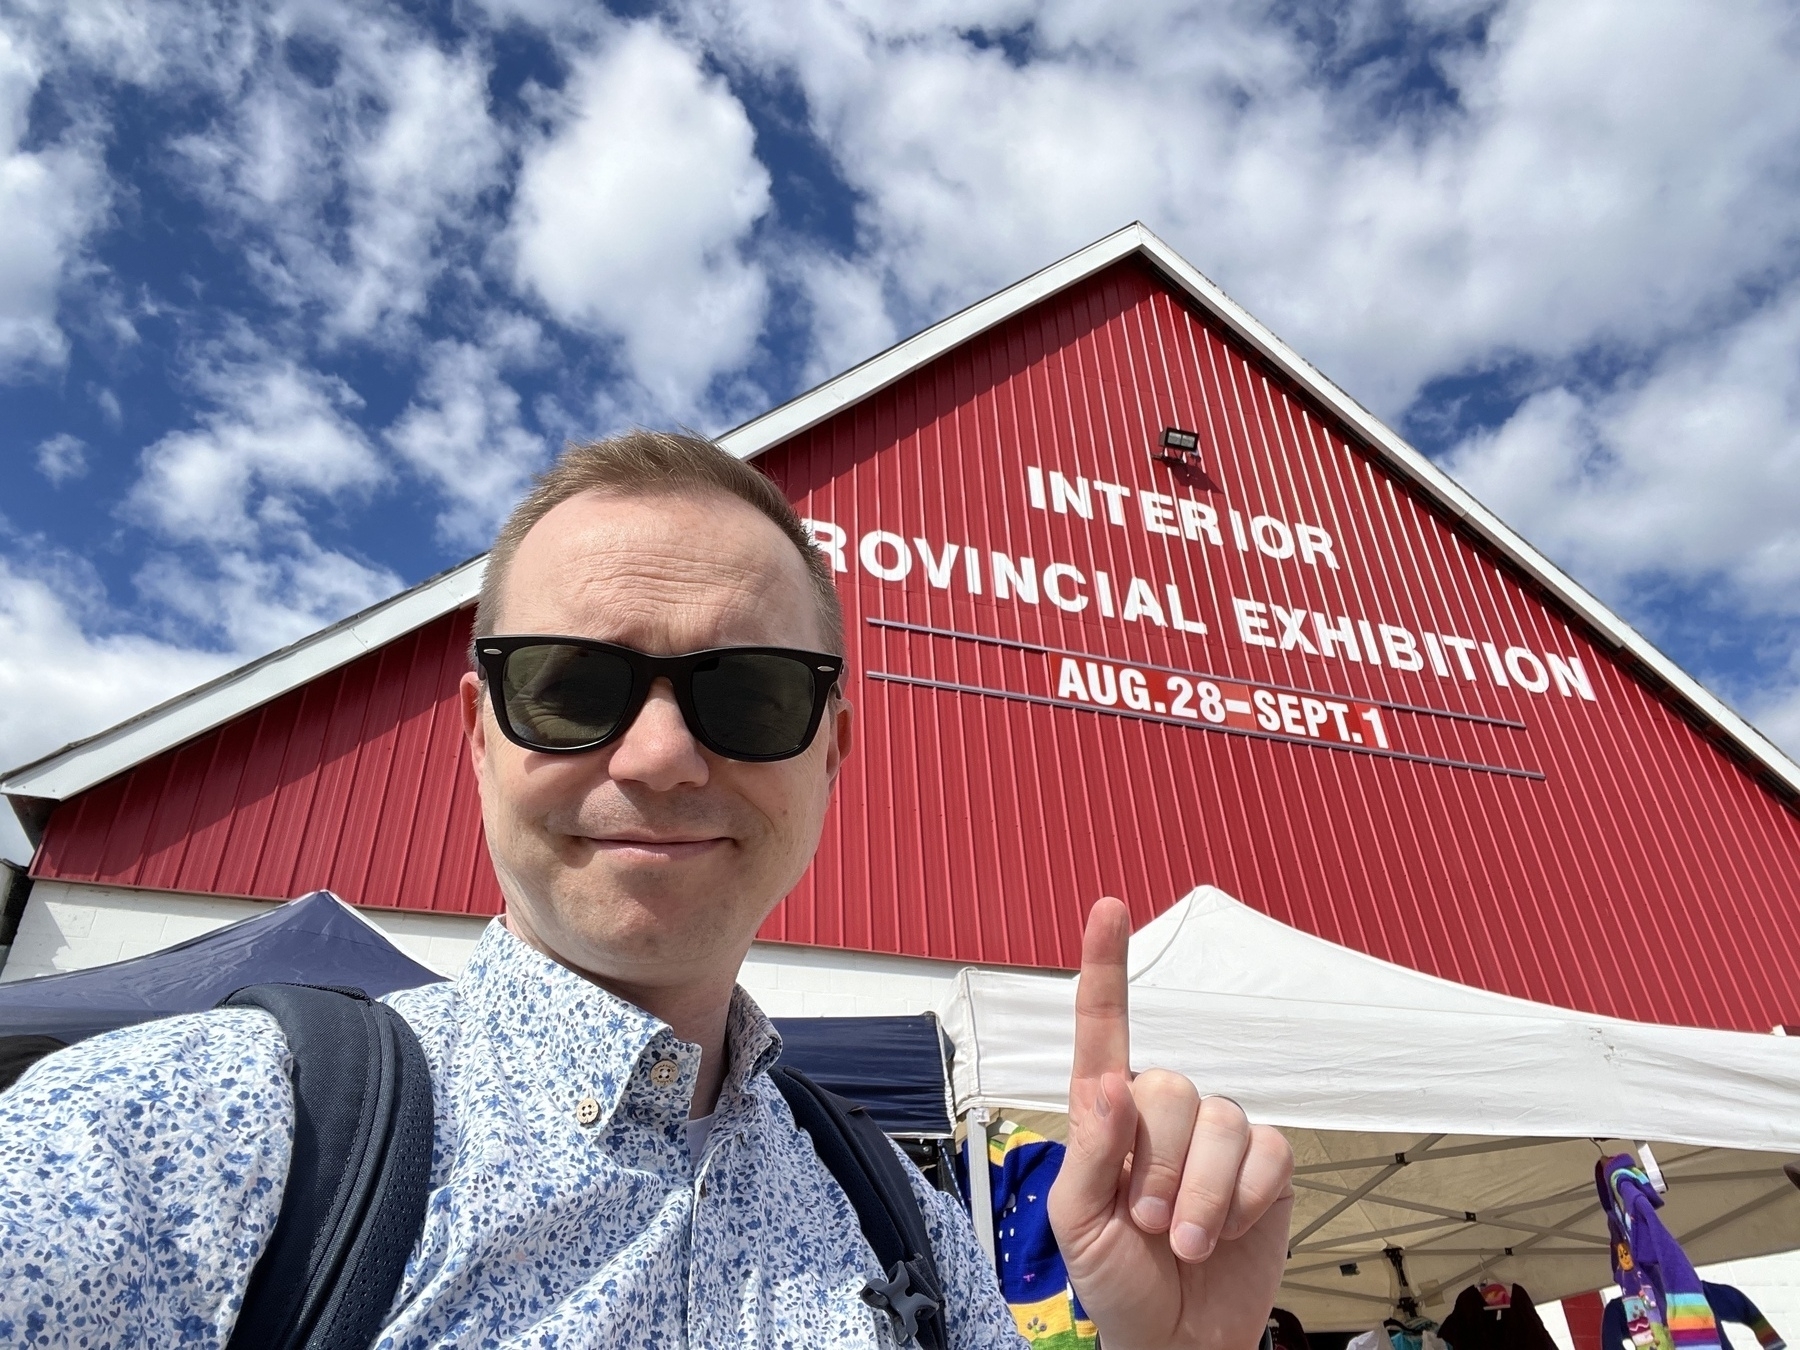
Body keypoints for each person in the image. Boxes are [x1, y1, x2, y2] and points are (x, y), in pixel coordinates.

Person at [0, 431, 1294, 1348]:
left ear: (831, 750)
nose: (664, 756)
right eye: (573, 686)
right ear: (480, 728)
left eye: (750, 692)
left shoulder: (909, 1223)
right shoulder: (178, 1143)